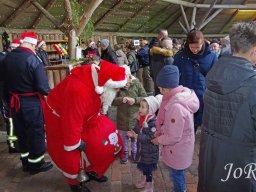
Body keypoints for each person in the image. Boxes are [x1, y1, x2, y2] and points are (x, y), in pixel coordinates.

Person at [44, 60, 128, 192]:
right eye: (116, 88)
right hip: (60, 118)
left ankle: (90, 169)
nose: (118, 91)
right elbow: (71, 122)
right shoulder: (77, 91)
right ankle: (75, 182)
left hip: (84, 115)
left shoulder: (99, 81)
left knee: (100, 136)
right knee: (71, 150)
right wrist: (75, 142)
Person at [198, 21, 256, 192]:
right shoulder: (252, 84)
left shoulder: (215, 73)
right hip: (240, 167)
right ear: (254, 50)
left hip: (211, 160)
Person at [0, 31, 53, 174]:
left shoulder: (7, 58)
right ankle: (36, 164)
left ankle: (25, 162)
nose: (35, 49)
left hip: (14, 103)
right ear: (31, 43)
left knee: (21, 133)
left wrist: (7, 100)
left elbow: (3, 83)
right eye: (34, 47)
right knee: (35, 132)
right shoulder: (33, 59)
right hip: (30, 103)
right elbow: (42, 87)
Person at [151, 65, 199, 192]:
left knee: (176, 173)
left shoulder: (175, 107)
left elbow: (173, 137)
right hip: (182, 145)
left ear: (165, 88)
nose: (159, 90)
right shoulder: (177, 97)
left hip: (178, 148)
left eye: (160, 87)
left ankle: (180, 190)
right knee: (177, 172)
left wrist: (158, 140)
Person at [173, 29, 218, 132]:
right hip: (185, 96)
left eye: (197, 47)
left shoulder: (212, 56)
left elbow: (215, 78)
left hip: (203, 97)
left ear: (203, 43)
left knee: (202, 123)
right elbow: (174, 74)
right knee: (187, 127)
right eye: (192, 47)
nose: (194, 50)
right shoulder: (181, 55)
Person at [127, 94, 162, 192]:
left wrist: (136, 136)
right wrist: (133, 131)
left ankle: (149, 184)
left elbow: (150, 137)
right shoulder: (142, 119)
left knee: (148, 169)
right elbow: (138, 128)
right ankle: (144, 180)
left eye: (143, 107)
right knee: (143, 166)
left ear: (150, 110)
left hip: (149, 152)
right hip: (142, 150)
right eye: (140, 106)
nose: (140, 109)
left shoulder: (153, 123)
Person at [112, 65, 147, 164]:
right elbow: (112, 101)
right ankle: (125, 152)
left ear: (129, 76)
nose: (123, 82)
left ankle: (135, 152)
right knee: (123, 138)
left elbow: (144, 97)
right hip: (122, 119)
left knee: (134, 137)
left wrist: (135, 100)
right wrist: (120, 100)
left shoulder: (137, 84)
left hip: (134, 118)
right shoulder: (117, 86)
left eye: (124, 78)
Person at [0, 38, 21, 153]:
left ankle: (15, 143)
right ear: (11, 48)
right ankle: (12, 145)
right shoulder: (4, 58)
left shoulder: (8, 57)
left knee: (12, 119)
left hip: (9, 93)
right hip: (5, 94)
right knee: (10, 120)